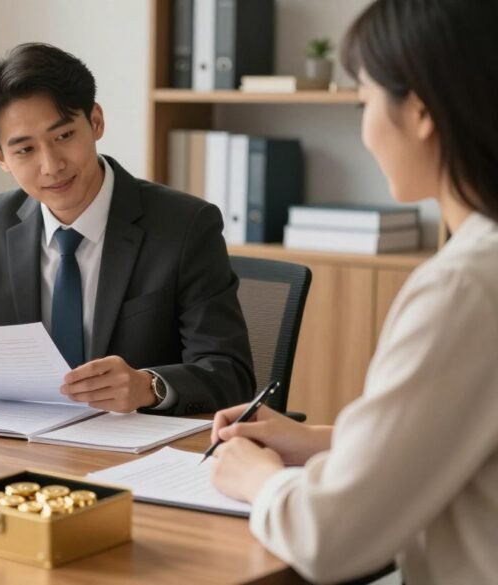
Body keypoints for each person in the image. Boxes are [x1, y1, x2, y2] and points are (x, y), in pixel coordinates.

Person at [208, 0, 498, 582]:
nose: (363, 128)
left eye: (364, 101)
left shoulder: (464, 286)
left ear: (418, 110)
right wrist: (324, 441)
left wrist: (256, 478)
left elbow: (328, 538)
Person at [0, 43, 254, 415]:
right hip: (27, 442)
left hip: (137, 447)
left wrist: (150, 386)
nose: (51, 166)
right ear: (0, 157)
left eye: (63, 136)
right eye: (25, 150)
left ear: (95, 121)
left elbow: (229, 372)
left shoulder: (185, 225)